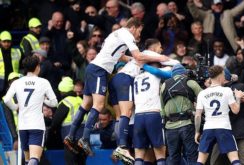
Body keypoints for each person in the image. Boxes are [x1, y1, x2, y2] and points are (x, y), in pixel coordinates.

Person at [63, 17, 168, 156]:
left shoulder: (116, 34)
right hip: (100, 70)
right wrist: (160, 58)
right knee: (99, 106)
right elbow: (137, 54)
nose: (139, 35)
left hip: (92, 68)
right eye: (139, 31)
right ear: (134, 27)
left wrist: (133, 61)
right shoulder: (127, 35)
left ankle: (70, 135)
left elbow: (120, 56)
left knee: (86, 104)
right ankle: (85, 138)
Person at [3, 55, 58, 165]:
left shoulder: (17, 82)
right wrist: (44, 100)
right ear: (38, 67)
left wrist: (15, 107)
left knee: (27, 159)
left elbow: (6, 99)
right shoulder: (43, 82)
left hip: (23, 126)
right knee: (34, 159)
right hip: (37, 125)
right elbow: (54, 102)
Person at [195, 65, 244, 165]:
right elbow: (235, 111)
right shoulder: (226, 90)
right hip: (223, 127)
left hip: (208, 128)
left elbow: (197, 115)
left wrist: (197, 132)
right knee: (234, 159)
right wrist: (238, 98)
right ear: (220, 76)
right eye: (223, 75)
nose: (224, 77)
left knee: (200, 161)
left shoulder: (202, 93)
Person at [160, 64, 201, 164]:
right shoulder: (190, 82)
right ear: (184, 73)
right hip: (187, 124)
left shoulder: (164, 85)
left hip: (170, 127)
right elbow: (204, 98)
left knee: (173, 157)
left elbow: (162, 109)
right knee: (192, 155)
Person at [51, 76, 87, 165]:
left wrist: (52, 130)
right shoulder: (81, 100)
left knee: (70, 161)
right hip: (84, 137)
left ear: (62, 92)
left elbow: (55, 122)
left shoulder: (65, 102)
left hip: (71, 137)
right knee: (81, 162)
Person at [0, 31, 22, 98]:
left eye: (8, 41)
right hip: (1, 83)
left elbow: (22, 66)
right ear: (0, 42)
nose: (6, 44)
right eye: (4, 42)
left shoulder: (17, 52)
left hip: (14, 81)